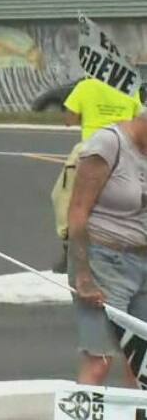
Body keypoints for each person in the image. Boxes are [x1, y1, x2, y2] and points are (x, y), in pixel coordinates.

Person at [67, 111, 147, 386]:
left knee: (143, 367)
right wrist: (83, 276)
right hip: (103, 261)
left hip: (143, 264)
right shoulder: (109, 144)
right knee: (99, 361)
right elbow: (77, 211)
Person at [52, 78, 144, 272]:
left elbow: (70, 120)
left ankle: (68, 246)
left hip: (91, 151)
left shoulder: (86, 86)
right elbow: (138, 119)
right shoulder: (130, 87)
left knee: (64, 198)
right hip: (126, 150)